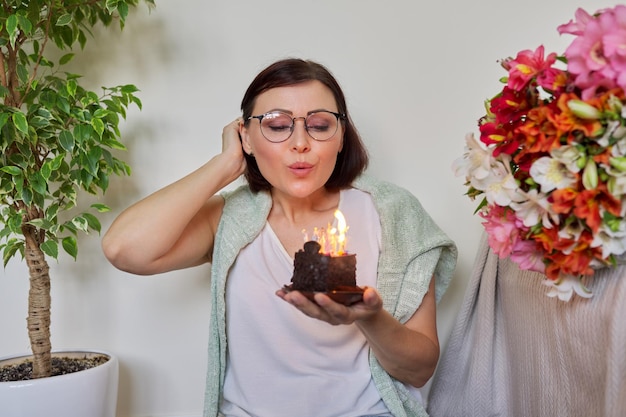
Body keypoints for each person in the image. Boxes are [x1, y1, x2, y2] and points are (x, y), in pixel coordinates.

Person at [102, 58, 457, 417]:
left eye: (319, 125)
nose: (300, 143)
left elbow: (419, 368)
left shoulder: (394, 214)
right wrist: (225, 164)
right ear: (246, 137)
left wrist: (369, 317)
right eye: (277, 126)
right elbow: (123, 249)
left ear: (341, 137)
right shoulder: (229, 219)